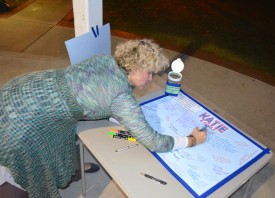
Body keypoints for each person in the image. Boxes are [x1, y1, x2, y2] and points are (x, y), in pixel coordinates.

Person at [0, 39, 207, 198]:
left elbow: (90, 95)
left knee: (60, 143)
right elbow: (153, 142)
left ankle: (73, 169)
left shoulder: (104, 59)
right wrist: (191, 140)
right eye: (149, 73)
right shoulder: (120, 97)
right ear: (134, 68)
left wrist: (123, 118)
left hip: (23, 87)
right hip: (24, 122)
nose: (151, 79)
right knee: (37, 166)